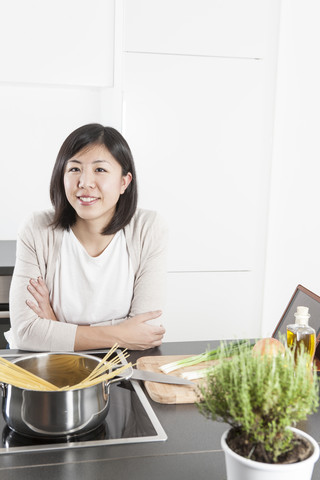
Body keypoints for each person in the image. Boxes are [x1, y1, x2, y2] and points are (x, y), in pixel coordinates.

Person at [6, 124, 167, 351]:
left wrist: (55, 326)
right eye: (74, 169)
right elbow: (26, 332)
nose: (85, 182)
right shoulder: (37, 229)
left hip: (120, 372)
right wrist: (122, 333)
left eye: (100, 170)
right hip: (50, 371)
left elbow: (147, 331)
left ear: (124, 182)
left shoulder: (148, 228)